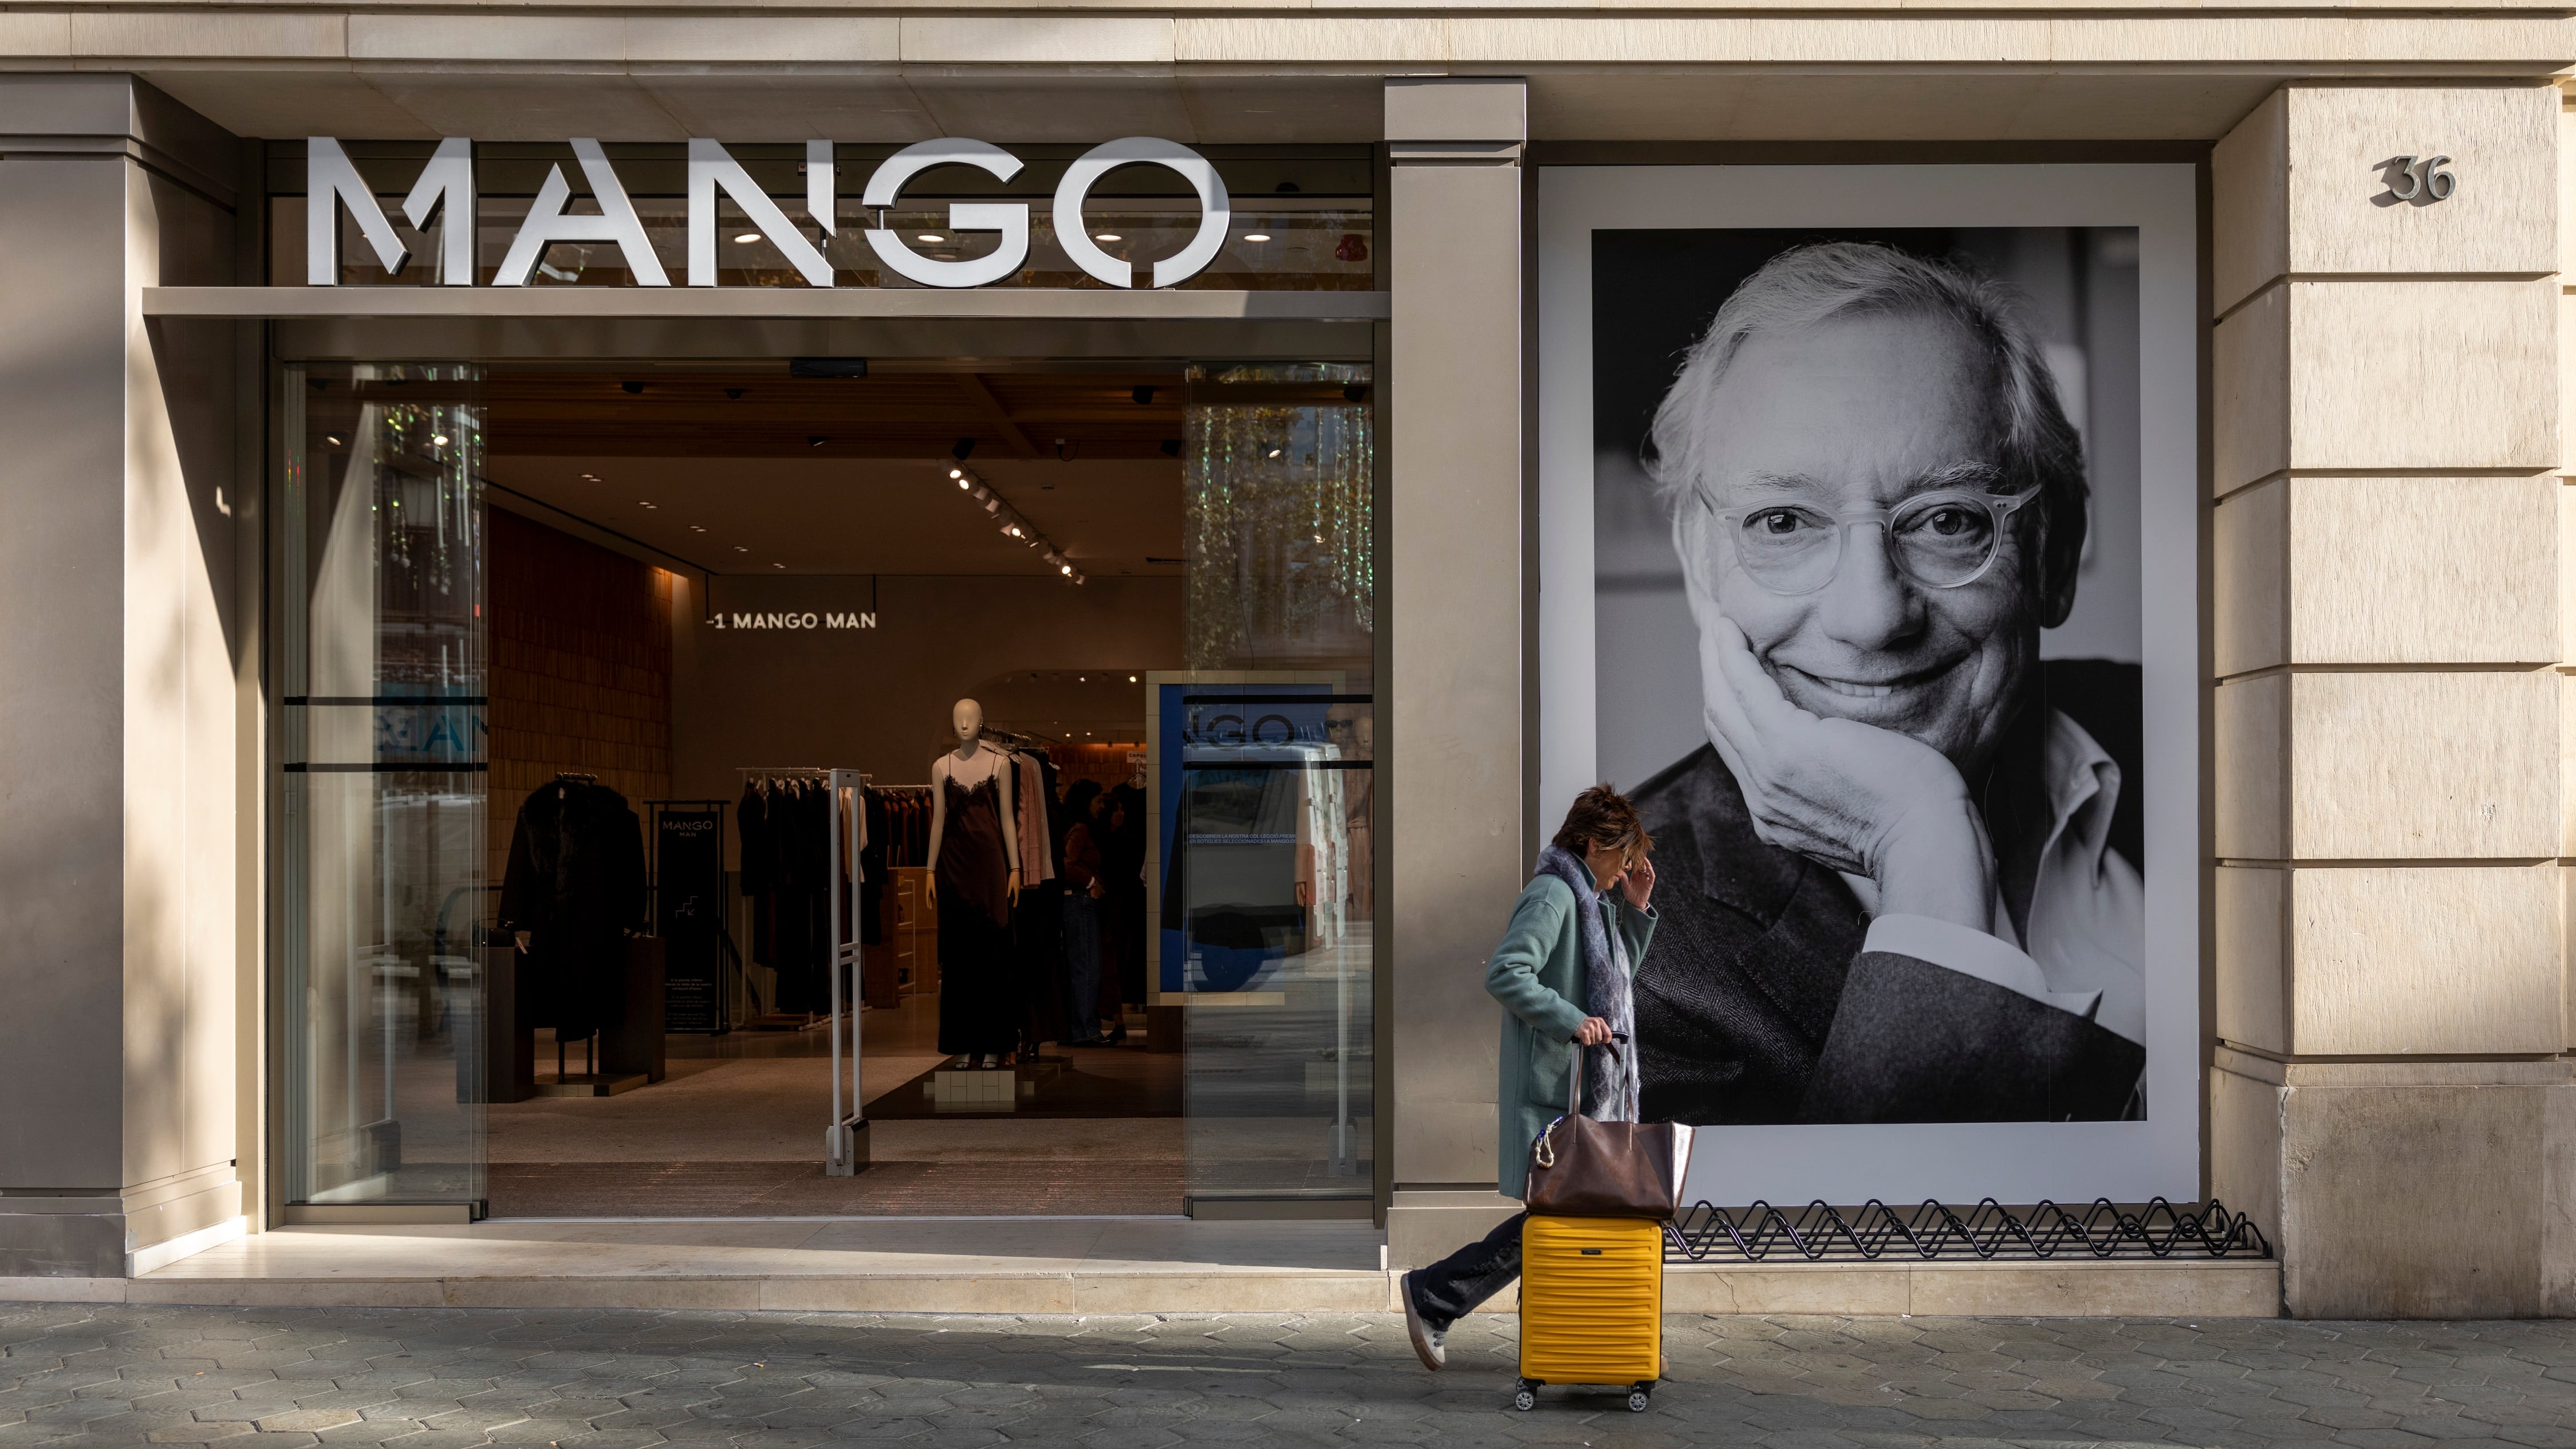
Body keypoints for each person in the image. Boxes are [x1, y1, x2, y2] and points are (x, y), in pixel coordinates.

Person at [1627, 239, 2145, 1127]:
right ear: (1699, 562)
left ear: (2052, 554)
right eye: (1783, 521)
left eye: (1947, 519)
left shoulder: (2188, 739)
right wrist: (1924, 858)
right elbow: (1833, 1268)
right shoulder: (1608, 938)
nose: (1872, 616)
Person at [1399, 785, 1657, 1371]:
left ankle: (1563, 1343)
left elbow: (1613, 989)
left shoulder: (1590, 902)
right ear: (1592, 844)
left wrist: (1636, 913)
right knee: (1558, 1220)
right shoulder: (1552, 896)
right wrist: (1572, 1022)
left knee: (1566, 1219)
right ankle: (1436, 1295)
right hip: (1555, 1095)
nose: (1624, 871)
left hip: (1580, 1098)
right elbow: (1506, 973)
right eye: (1621, 857)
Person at [1058, 782, 1114, 1045]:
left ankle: (1079, 1029)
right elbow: (1066, 865)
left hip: (1074, 904)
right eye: (1098, 801)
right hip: (1080, 903)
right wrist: (1091, 882)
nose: (1102, 806)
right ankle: (1087, 1030)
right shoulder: (1080, 829)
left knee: (1080, 967)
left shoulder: (1074, 827)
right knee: (1088, 968)